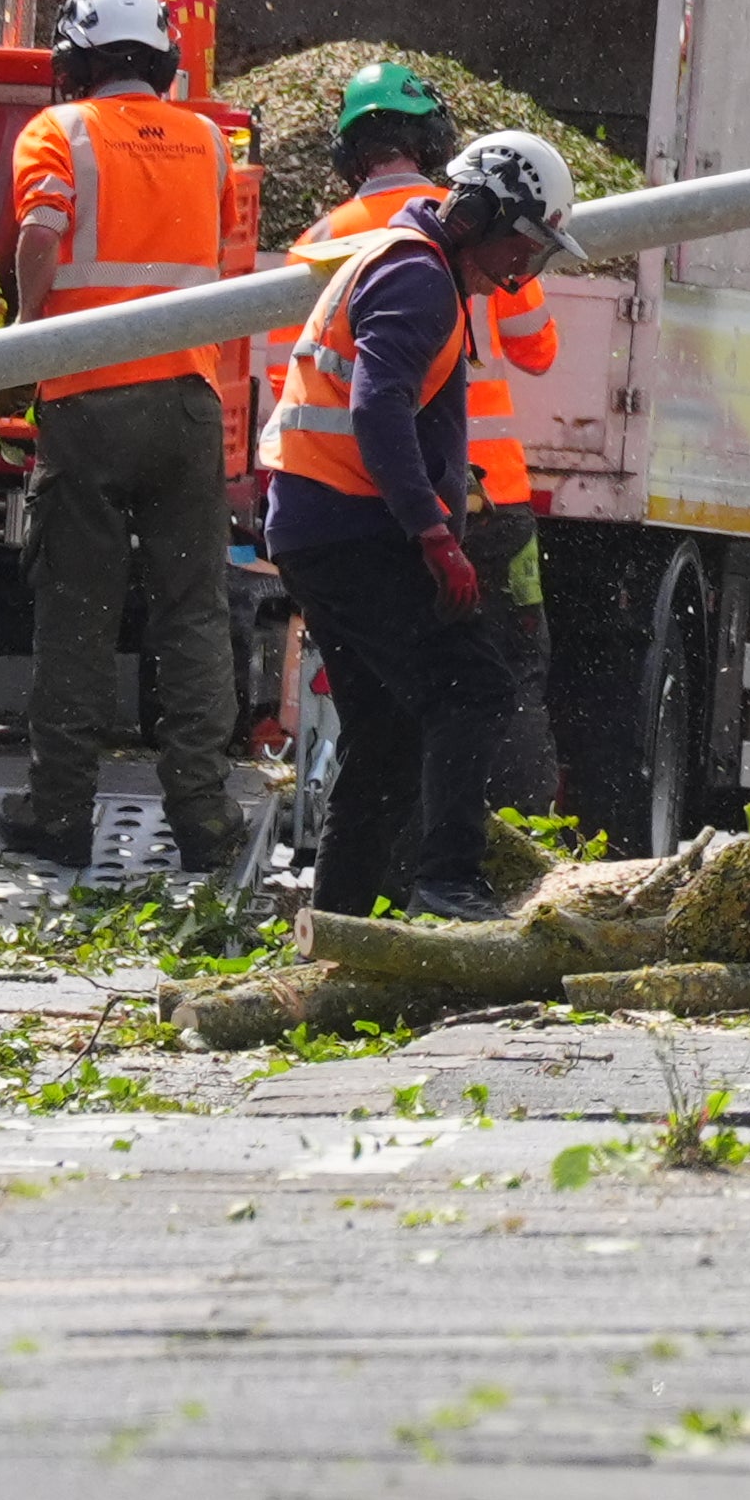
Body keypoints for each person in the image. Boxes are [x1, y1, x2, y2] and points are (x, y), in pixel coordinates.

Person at [259, 130, 566, 917]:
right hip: (345, 527)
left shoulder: (417, 267)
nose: (517, 272)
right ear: (476, 215)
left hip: (322, 525)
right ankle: (449, 880)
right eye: (518, 249)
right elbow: (377, 403)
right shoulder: (416, 277)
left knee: (388, 726)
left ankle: (338, 919)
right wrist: (432, 533)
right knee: (473, 686)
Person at [0, 0, 253, 882]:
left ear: (73, 58)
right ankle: (206, 817)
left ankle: (59, 812)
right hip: (186, 403)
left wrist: (24, 334)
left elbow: (41, 229)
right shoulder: (212, 142)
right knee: (192, 612)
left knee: (79, 613)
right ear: (164, 60)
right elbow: (224, 261)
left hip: (88, 401)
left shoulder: (56, 132)